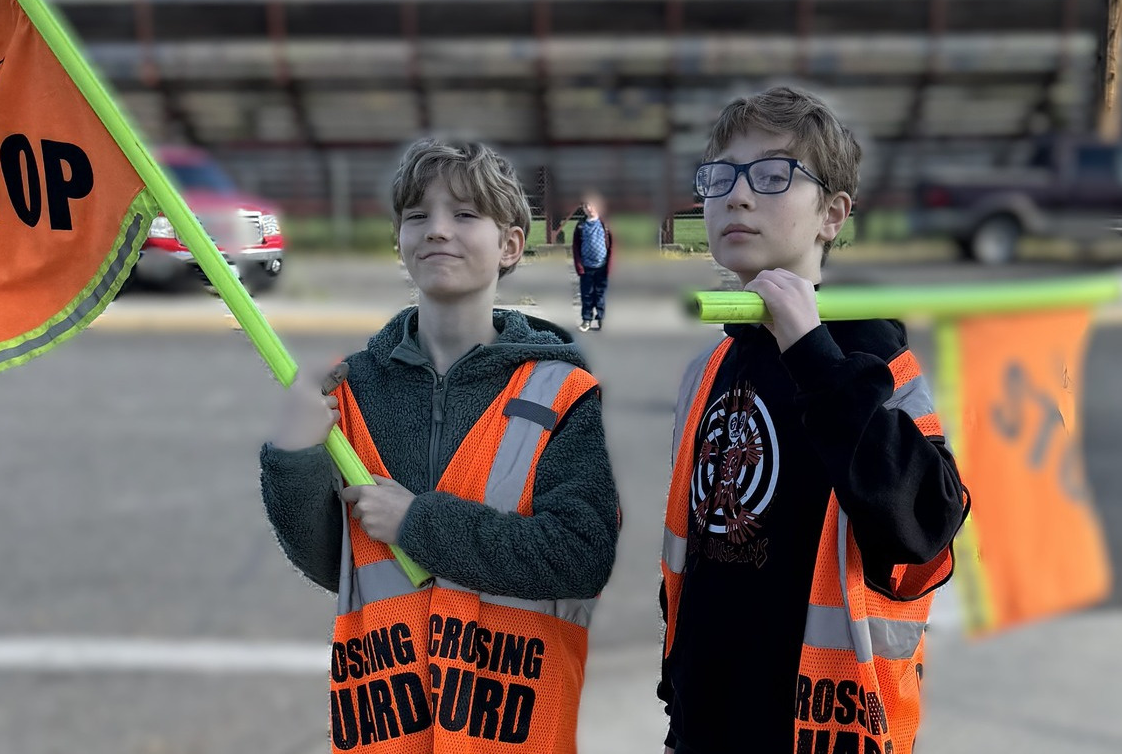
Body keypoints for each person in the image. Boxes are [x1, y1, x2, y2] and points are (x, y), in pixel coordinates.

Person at [259, 137, 620, 753]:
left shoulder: (560, 390)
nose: (437, 230)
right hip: (387, 730)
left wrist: (419, 522)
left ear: (510, 245)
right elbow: (334, 565)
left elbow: (580, 555)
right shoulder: (355, 388)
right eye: (417, 216)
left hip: (510, 733)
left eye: (465, 215)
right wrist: (292, 458)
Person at [656, 86, 970, 754]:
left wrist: (813, 353)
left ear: (832, 214)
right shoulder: (708, 368)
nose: (737, 196)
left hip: (819, 730)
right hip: (704, 728)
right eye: (720, 177)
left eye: (772, 176)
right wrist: (677, 696)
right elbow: (695, 559)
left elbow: (926, 523)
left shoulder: (872, 357)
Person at [569, 193, 613, 332]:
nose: (589, 208)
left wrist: (610, 266)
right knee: (587, 294)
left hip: (602, 266)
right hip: (586, 267)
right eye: (586, 205)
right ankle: (586, 320)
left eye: (592, 205)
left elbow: (613, 245)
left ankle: (601, 319)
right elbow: (575, 246)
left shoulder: (605, 224)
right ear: (583, 208)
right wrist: (579, 266)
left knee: (601, 294)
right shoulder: (581, 225)